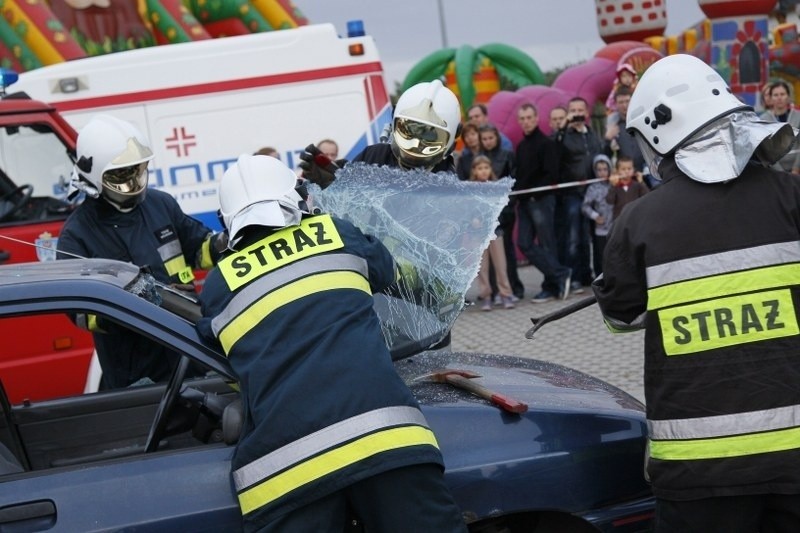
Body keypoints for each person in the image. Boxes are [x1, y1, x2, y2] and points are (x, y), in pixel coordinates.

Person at [197, 154, 466, 532]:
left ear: (228, 222)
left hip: (285, 470)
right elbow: (387, 270)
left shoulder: (219, 285)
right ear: (297, 198)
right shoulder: (336, 233)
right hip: (384, 439)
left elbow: (211, 338)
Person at [593, 53, 800, 531]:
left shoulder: (639, 220)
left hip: (698, 469)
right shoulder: (789, 196)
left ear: (658, 134)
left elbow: (620, 316)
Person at [57, 114, 227, 390]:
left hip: (189, 349)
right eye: (122, 175)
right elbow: (78, 313)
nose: (135, 181)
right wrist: (130, 304)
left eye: (137, 170)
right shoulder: (77, 235)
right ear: (95, 177)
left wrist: (224, 242)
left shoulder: (161, 204)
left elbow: (200, 249)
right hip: (137, 369)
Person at [514, 102, 572, 303]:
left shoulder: (546, 144)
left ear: (537, 118)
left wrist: (533, 193)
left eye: (529, 117)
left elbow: (551, 173)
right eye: (522, 119)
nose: (526, 122)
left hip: (541, 200)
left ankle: (551, 286)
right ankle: (560, 273)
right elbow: (520, 175)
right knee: (524, 243)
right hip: (524, 202)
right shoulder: (521, 147)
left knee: (547, 243)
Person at [555, 96, 601, 293]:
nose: (576, 113)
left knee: (589, 236)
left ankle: (588, 274)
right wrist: (564, 126)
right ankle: (573, 276)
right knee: (573, 237)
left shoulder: (592, 134)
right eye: (572, 110)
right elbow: (555, 150)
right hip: (572, 193)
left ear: (587, 112)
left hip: (594, 192)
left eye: (579, 109)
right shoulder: (563, 135)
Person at [477, 123, 524, 301]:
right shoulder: (479, 159)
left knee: (507, 253)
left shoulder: (507, 155)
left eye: (491, 138)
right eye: (485, 139)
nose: (488, 141)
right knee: (488, 255)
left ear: (497, 138)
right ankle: (493, 291)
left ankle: (513, 288)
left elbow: (513, 182)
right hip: (486, 215)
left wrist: (508, 207)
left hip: (504, 211)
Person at [469, 155, 515, 311]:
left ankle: (505, 294)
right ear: (474, 171)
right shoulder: (470, 190)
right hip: (478, 235)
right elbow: (467, 210)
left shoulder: (497, 188)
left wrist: (496, 218)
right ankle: (486, 295)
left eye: (486, 168)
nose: (483, 171)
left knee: (501, 265)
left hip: (495, 232)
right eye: (480, 168)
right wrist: (473, 220)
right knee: (482, 267)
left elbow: (504, 209)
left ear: (490, 170)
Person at [581, 154, 613, 277]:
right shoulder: (592, 188)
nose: (602, 173)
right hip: (601, 229)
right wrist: (595, 216)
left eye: (605, 169)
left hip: (614, 227)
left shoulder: (614, 184)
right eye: (599, 170)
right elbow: (585, 206)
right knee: (601, 256)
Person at [761, 81, 800, 173]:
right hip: (776, 172)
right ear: (771, 98)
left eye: (782, 94)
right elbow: (766, 151)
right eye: (776, 95)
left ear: (788, 96)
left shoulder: (798, 116)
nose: (779, 98)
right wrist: (781, 173)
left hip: (797, 168)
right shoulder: (764, 120)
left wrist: (796, 169)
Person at [605, 155, 648, 220]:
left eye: (629, 168)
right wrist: (613, 186)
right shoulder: (615, 186)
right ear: (617, 171)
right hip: (619, 220)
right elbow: (609, 201)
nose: (627, 171)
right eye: (623, 169)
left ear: (633, 169)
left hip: (635, 218)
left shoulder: (637, 185)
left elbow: (647, 196)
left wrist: (641, 182)